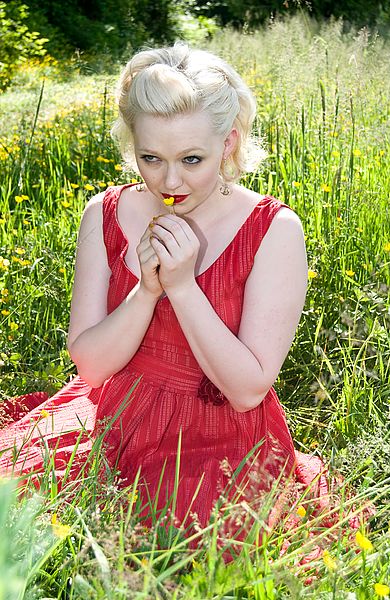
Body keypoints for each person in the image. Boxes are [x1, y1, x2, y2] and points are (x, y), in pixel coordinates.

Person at [0, 43, 364, 550]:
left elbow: (247, 390)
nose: (170, 182)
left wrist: (183, 285)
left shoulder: (274, 229)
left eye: (192, 159)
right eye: (151, 158)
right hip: (115, 413)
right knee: (17, 506)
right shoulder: (103, 213)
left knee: (183, 544)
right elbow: (90, 368)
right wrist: (146, 291)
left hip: (218, 431)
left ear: (229, 142)